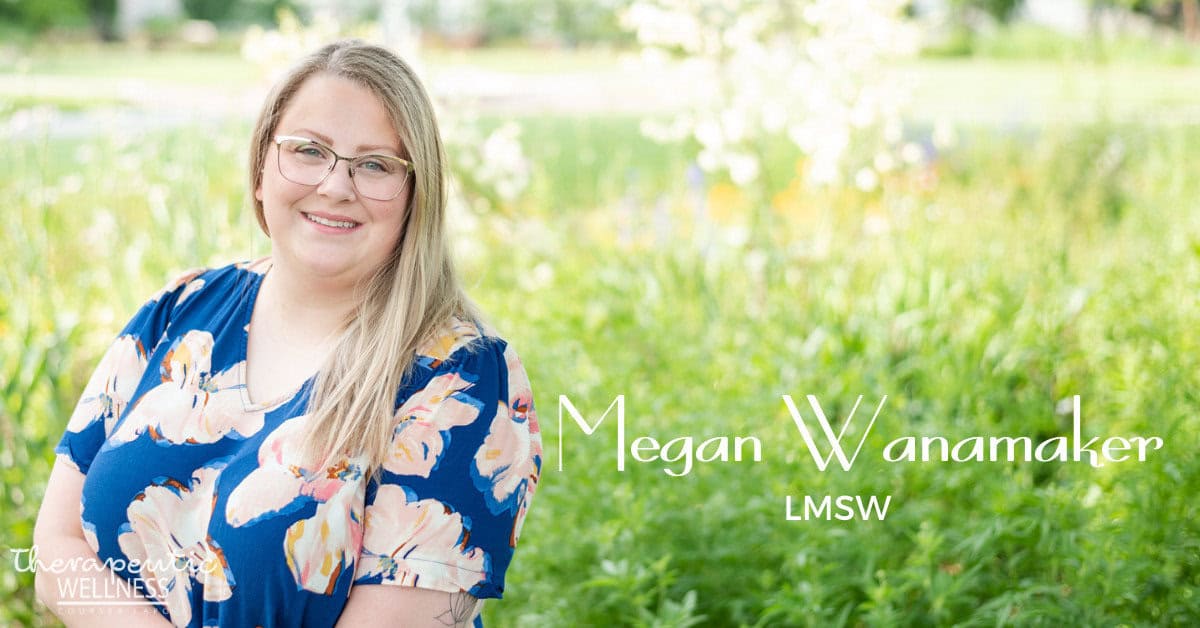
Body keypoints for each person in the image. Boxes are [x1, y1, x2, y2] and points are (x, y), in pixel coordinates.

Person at [33, 39, 543, 628]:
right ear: (259, 170)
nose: (335, 186)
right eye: (308, 151)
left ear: (415, 198)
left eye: (375, 164)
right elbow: (57, 548)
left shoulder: (463, 379)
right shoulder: (182, 307)